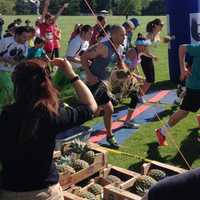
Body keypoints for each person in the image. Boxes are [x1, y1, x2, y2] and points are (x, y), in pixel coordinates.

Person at [0, 58, 97, 200]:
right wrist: (71, 74)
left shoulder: (5, 116)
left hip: (10, 192)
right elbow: (91, 106)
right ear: (46, 84)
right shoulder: (52, 115)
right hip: (45, 194)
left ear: (16, 85)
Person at [81, 25, 126, 148]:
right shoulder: (103, 47)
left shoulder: (120, 49)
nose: (124, 37)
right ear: (114, 35)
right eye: (122, 35)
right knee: (93, 110)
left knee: (104, 109)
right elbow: (84, 56)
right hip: (92, 83)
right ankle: (73, 131)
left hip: (103, 84)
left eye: (125, 35)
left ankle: (109, 136)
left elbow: (117, 66)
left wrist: (123, 70)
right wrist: (89, 74)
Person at [156, 43, 200, 146]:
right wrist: (182, 69)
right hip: (196, 86)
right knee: (184, 112)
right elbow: (182, 48)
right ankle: (162, 131)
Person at [0, 26, 30, 106]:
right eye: (24, 37)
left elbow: (23, 57)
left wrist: (19, 61)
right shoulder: (4, 42)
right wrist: (7, 60)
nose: (26, 39)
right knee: (9, 89)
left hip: (13, 72)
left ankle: (5, 108)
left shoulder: (25, 44)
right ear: (17, 35)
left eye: (27, 37)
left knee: (12, 92)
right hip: (2, 70)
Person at [141, 18, 164, 94]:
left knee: (150, 79)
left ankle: (138, 92)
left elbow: (158, 41)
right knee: (150, 79)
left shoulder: (157, 34)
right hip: (144, 58)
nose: (162, 26)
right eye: (161, 25)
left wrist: (168, 39)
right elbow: (144, 50)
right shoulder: (149, 36)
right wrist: (153, 56)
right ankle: (139, 95)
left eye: (163, 25)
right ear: (156, 26)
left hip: (149, 58)